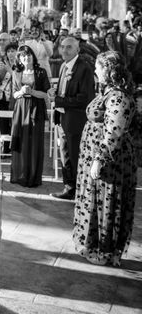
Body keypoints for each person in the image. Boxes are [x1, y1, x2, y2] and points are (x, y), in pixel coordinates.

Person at [73, 51, 137, 266]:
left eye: (99, 67)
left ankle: (106, 251)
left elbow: (114, 131)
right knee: (94, 202)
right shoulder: (108, 91)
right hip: (97, 157)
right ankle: (95, 247)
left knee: (107, 205)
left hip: (112, 163)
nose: (96, 71)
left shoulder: (118, 96)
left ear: (109, 71)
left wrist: (99, 159)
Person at [48, 36, 95, 200]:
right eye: (62, 47)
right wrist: (55, 94)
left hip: (75, 121)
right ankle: (69, 188)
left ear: (77, 50)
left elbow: (85, 99)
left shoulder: (84, 69)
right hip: (62, 118)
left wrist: (59, 100)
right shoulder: (63, 66)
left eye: (69, 47)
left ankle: (78, 190)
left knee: (75, 156)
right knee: (65, 155)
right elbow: (64, 92)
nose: (64, 50)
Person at [10, 45, 50, 188]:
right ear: (19, 59)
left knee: (35, 142)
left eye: (28, 55)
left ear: (33, 56)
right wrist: (21, 91)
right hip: (21, 109)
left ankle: (33, 176)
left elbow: (46, 94)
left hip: (36, 109)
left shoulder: (41, 72)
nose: (26, 58)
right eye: (22, 56)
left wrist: (32, 92)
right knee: (21, 141)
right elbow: (14, 94)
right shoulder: (16, 73)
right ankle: (20, 175)